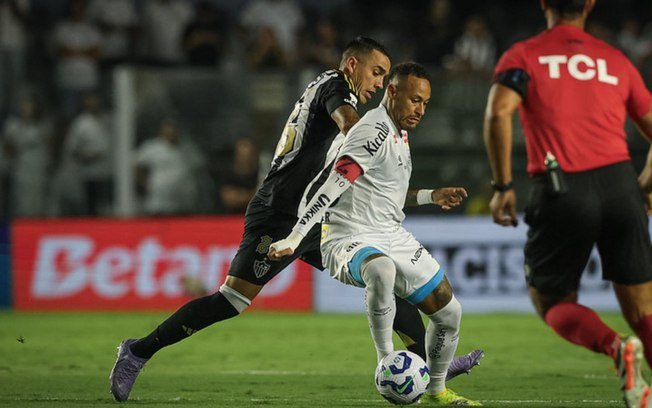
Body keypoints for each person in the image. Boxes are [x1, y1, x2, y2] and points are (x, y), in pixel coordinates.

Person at [109, 37, 482, 402]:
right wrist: (373, 136)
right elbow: (350, 125)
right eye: (376, 72)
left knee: (383, 275)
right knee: (231, 300)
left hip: (319, 217)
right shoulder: (338, 87)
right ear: (353, 65)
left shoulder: (333, 90)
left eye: (385, 76)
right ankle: (138, 351)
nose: (379, 83)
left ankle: (426, 364)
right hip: (280, 212)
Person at [269, 62, 480, 406]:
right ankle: (387, 362)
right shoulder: (373, 131)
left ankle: (437, 391)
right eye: (414, 100)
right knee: (381, 269)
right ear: (392, 91)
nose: (420, 110)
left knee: (448, 311)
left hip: (389, 233)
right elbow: (331, 187)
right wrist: (295, 237)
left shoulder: (399, 132)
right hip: (347, 235)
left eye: (425, 103)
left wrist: (431, 196)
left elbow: (387, 194)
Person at [482, 1, 652, 407]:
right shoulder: (615, 60)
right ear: (590, 4)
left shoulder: (524, 55)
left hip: (562, 187)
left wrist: (503, 185)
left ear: (544, 3)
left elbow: (498, 113)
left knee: (553, 301)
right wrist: (646, 183)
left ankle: (616, 348)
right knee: (643, 313)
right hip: (620, 186)